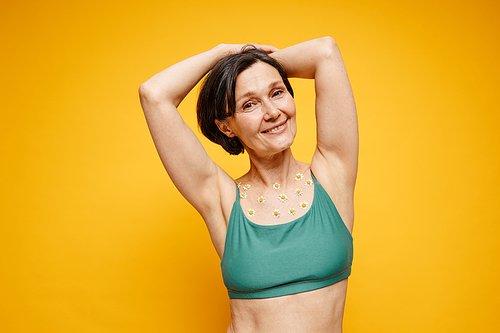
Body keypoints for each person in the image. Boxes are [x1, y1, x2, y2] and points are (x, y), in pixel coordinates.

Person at [139, 36, 358, 333]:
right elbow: (154, 94)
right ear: (226, 126)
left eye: (277, 92)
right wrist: (225, 54)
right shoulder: (221, 200)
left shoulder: (333, 175)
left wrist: (256, 62)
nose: (271, 112)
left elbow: (325, 51)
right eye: (249, 104)